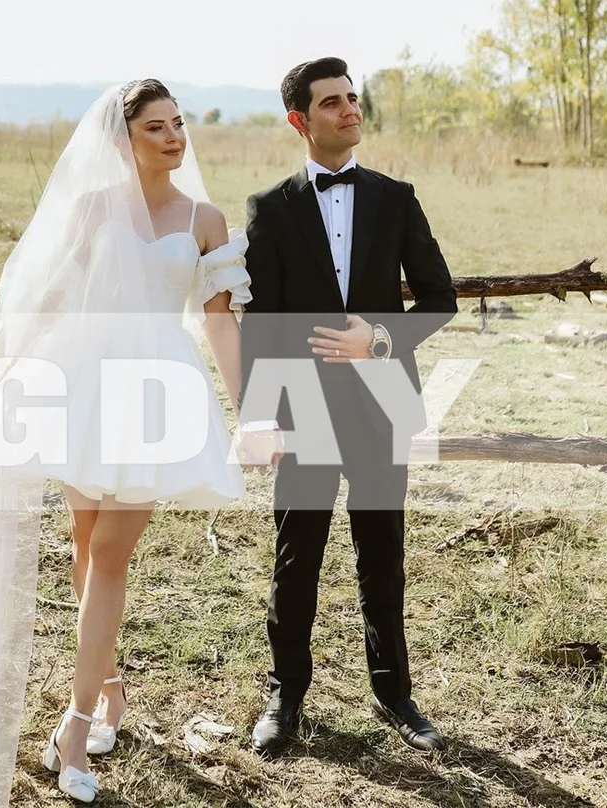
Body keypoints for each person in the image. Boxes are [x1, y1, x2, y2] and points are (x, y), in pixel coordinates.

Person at [0, 80, 253, 807]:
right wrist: (22, 379)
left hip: (156, 392)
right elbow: (46, 292)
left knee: (112, 555)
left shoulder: (207, 219)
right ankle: (111, 685)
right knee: (83, 543)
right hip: (85, 381)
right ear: (124, 138)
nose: (173, 137)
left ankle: (77, 720)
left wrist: (250, 411)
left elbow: (220, 321)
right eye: (155, 127)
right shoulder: (94, 208)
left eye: (179, 124)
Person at [237, 57, 457, 757]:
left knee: (382, 552)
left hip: (383, 400)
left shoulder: (397, 198)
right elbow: (261, 323)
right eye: (332, 103)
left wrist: (380, 336)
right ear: (300, 120)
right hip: (301, 407)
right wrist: (260, 413)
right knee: (297, 556)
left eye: (353, 99)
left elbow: (439, 298)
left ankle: (396, 695)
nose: (350, 110)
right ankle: (284, 696)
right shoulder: (270, 210)